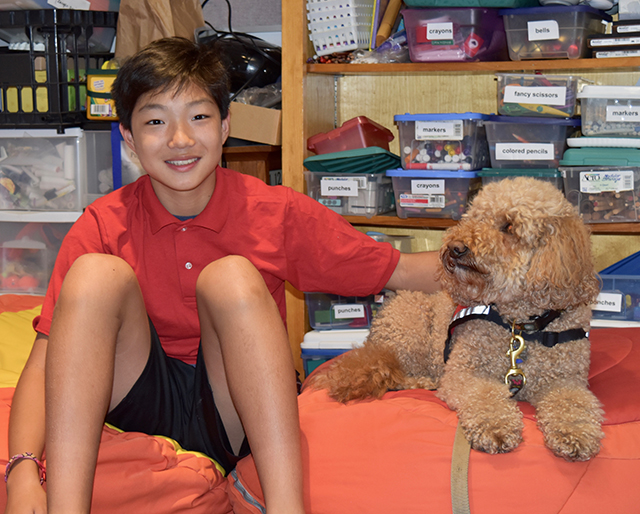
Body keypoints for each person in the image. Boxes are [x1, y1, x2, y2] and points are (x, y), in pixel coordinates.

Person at [4, 37, 441, 514]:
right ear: (128, 139)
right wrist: (23, 468)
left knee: (231, 276)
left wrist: (506, 258)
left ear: (226, 125)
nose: (180, 140)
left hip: (234, 407)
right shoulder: (104, 223)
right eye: (155, 122)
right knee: (93, 275)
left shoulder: (276, 211)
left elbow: (401, 269)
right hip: (137, 401)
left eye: (198, 117)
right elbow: (48, 357)